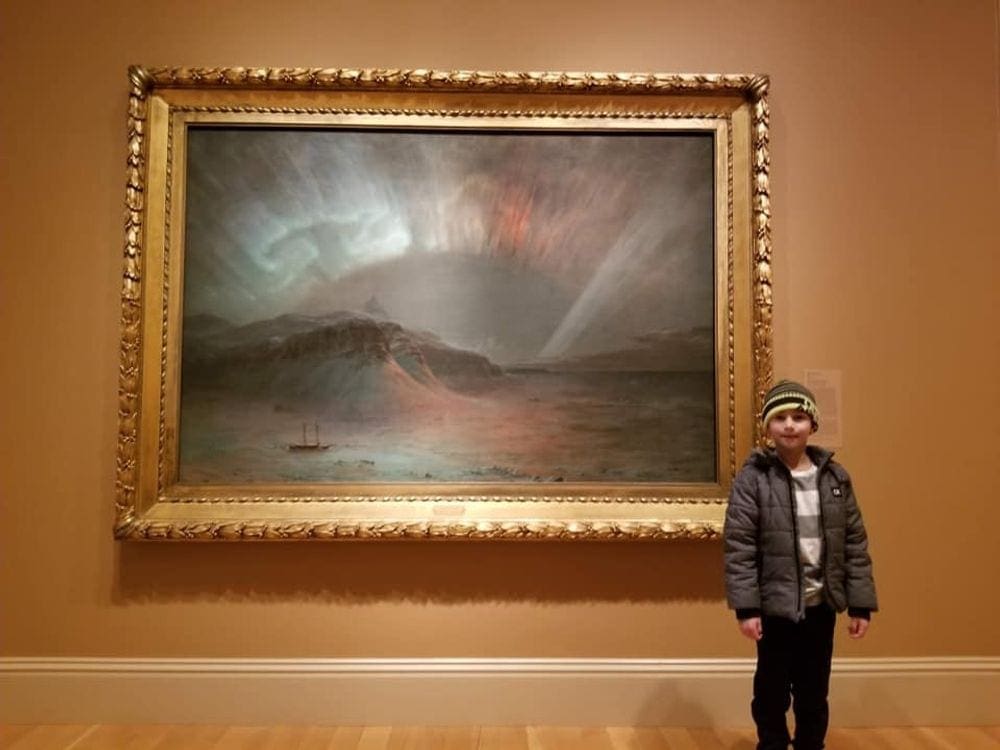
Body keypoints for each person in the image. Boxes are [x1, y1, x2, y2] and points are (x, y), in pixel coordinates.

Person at [724, 380, 878, 750]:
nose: (790, 425)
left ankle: (811, 743)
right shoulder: (753, 479)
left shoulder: (836, 478)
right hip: (775, 607)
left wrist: (860, 603)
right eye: (780, 418)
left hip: (821, 606)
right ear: (768, 427)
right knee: (772, 687)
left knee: (814, 687)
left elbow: (854, 543)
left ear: (812, 424)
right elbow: (739, 546)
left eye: (798, 417)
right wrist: (747, 607)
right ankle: (772, 742)